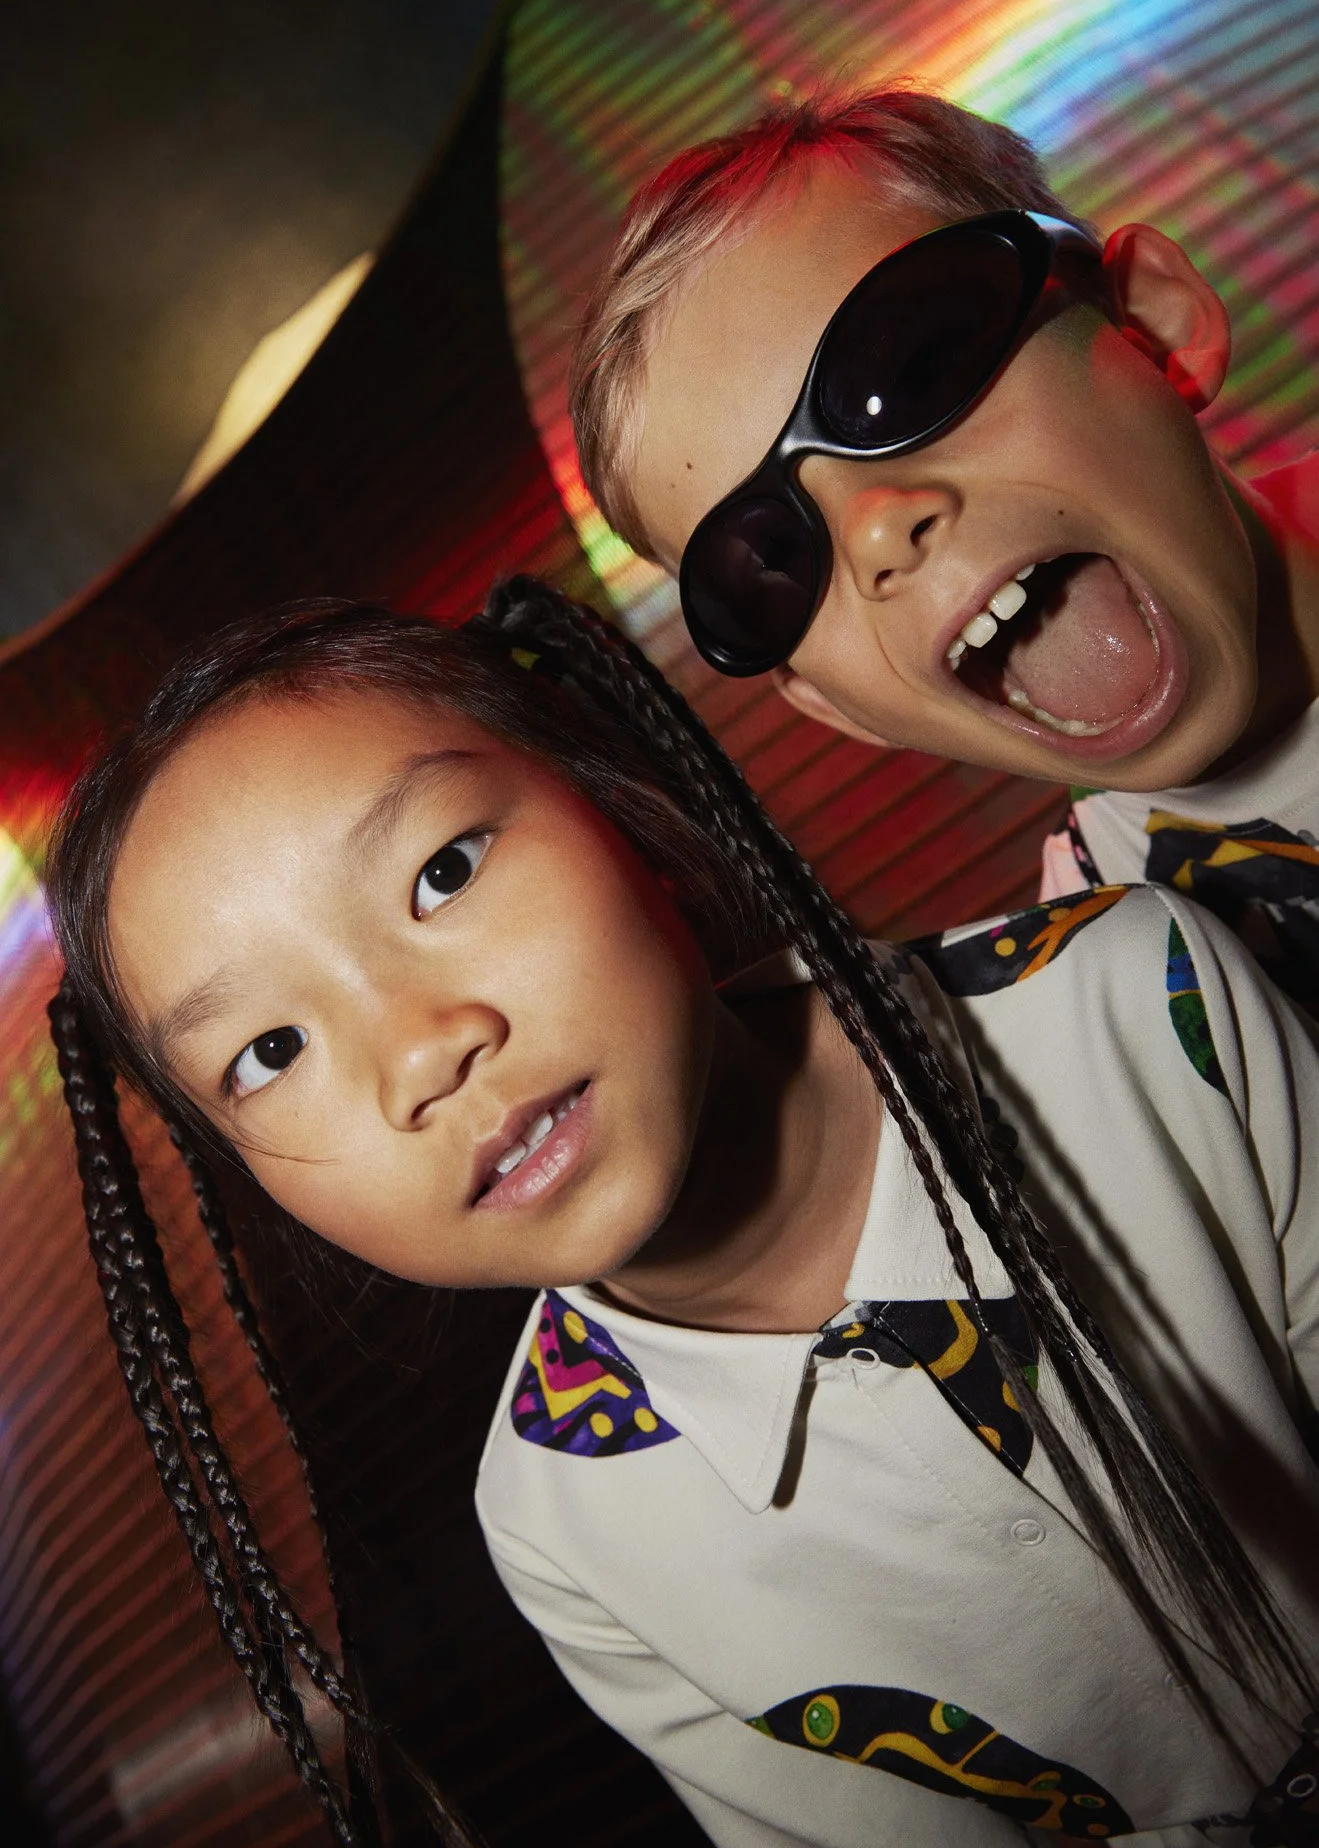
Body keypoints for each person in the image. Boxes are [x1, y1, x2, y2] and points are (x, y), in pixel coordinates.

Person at [44, 579, 1319, 1848]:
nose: (420, 1055)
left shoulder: (1144, 1003)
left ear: (620, 813)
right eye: (268, 1050)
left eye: (443, 870)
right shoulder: (565, 1527)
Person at [569, 88, 1319, 1008]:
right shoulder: (1115, 1019)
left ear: (1151, 326)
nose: (875, 530)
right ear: (835, 706)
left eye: (910, 375)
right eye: (768, 563)